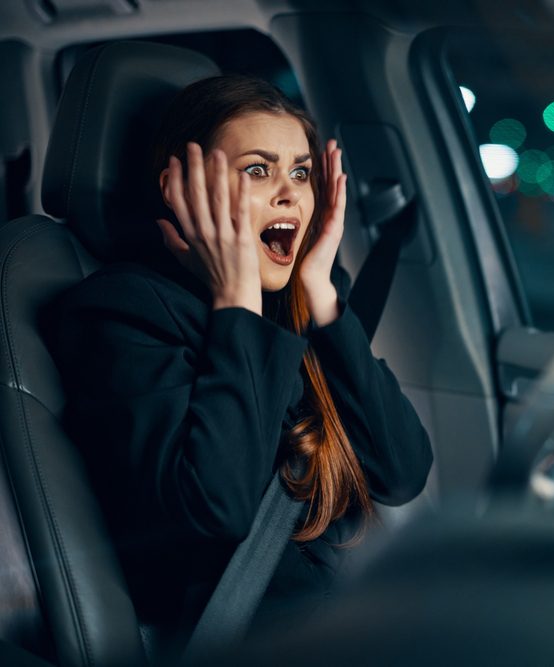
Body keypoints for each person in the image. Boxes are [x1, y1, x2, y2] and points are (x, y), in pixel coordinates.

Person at [46, 74, 433, 639]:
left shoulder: (302, 306)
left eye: (300, 172)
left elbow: (402, 472)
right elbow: (217, 507)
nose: (289, 193)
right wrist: (237, 302)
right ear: (183, 191)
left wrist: (323, 294)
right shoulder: (120, 311)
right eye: (258, 169)